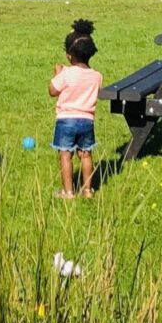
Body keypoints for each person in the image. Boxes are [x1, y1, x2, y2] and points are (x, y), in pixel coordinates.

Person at [48, 18, 102, 200]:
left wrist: (57, 74)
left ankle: (68, 192)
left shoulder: (66, 73)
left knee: (65, 155)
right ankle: (87, 190)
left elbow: (52, 91)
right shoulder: (97, 76)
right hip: (87, 121)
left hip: (66, 121)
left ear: (69, 55)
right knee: (86, 155)